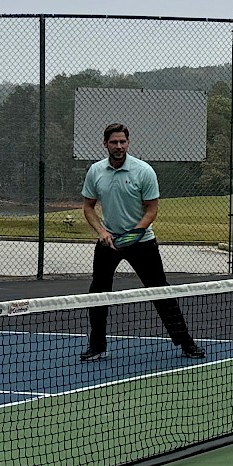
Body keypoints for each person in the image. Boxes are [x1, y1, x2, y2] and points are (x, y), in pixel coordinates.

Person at [79, 123, 205, 361]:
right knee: (97, 293)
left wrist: (134, 234)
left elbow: (152, 210)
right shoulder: (95, 171)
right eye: (114, 142)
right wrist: (102, 232)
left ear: (128, 143)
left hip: (142, 242)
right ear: (105, 144)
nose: (119, 146)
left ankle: (186, 343)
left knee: (161, 291)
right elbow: (88, 206)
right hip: (109, 243)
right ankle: (97, 346)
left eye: (123, 142)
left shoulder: (143, 171)